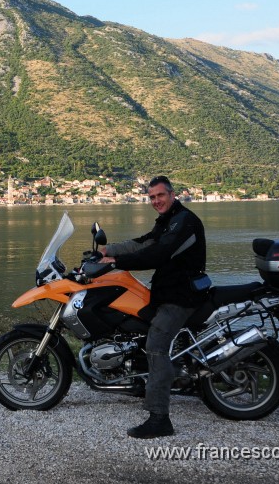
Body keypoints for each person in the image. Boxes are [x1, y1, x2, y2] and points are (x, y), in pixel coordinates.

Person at [98, 175, 207, 439]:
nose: (156, 201)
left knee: (156, 346)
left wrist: (116, 262)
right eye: (152, 197)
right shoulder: (168, 221)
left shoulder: (185, 222)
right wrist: (104, 250)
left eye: (160, 195)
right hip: (166, 293)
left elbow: (156, 254)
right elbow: (144, 242)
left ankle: (159, 418)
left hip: (181, 297)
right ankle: (141, 381)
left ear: (172, 194)